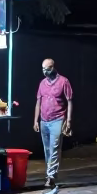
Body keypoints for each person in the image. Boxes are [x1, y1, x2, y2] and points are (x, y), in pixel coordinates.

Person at [33, 57, 73, 187]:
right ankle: (49, 173)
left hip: (58, 119)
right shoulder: (42, 83)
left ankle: (51, 176)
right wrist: (36, 120)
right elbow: (38, 102)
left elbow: (69, 101)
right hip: (44, 120)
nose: (45, 71)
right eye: (43, 69)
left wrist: (68, 121)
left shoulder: (63, 81)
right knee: (47, 149)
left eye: (47, 69)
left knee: (55, 147)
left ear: (53, 67)